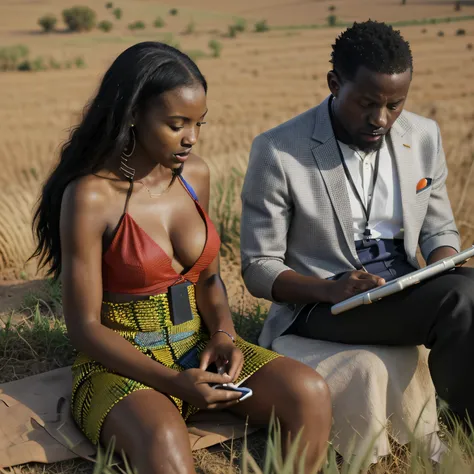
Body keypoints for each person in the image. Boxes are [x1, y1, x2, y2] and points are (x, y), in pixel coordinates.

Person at [30, 42, 331, 474]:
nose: (191, 137)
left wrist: (224, 335)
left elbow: (209, 280)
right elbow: (84, 328)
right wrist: (174, 384)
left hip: (197, 349)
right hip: (120, 366)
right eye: (176, 124)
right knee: (165, 438)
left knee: (309, 392)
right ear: (133, 114)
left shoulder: (196, 175)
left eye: (198, 123)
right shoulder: (90, 196)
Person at [240, 20, 474, 426]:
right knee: (460, 300)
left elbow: (439, 230)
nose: (381, 119)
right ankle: (461, 429)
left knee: (463, 285)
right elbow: (259, 267)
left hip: (405, 286)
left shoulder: (423, 135)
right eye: (366, 103)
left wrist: (442, 263)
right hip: (324, 303)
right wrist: (329, 289)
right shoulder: (279, 150)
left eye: (394, 104)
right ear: (334, 83)